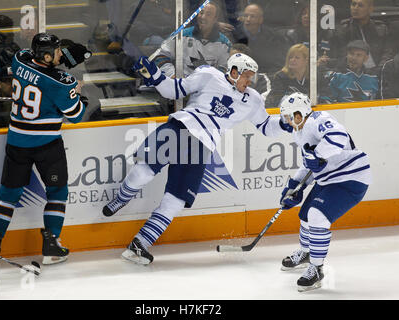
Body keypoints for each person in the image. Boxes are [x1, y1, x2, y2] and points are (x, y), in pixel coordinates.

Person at [101, 52, 293, 265]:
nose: (250, 81)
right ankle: (122, 198)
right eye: (247, 76)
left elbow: (267, 127)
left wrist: (285, 123)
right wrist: (153, 73)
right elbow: (173, 90)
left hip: (202, 147)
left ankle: (139, 245)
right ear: (234, 71)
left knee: (175, 201)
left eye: (252, 77)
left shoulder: (253, 100)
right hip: (180, 128)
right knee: (142, 172)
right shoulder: (209, 75)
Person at [0, 33, 88, 265]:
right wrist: (80, 95)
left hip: (17, 142)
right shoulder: (62, 83)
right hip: (46, 146)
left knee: (8, 196)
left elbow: (39, 66)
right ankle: (51, 244)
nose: (61, 54)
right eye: (58, 51)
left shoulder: (20, 60)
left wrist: (59, 61)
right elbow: (76, 115)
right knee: (57, 192)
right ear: (49, 55)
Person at [278, 92, 371, 292]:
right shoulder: (300, 131)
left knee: (317, 215)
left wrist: (318, 155)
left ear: (300, 114)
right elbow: (311, 166)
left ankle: (317, 268)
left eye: (289, 116)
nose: (287, 121)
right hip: (329, 179)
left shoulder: (318, 119)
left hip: (350, 178)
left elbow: (338, 136)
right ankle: (306, 253)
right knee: (305, 215)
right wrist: (294, 185)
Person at [153, 1, 231, 77]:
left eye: (208, 14)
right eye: (201, 13)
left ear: (215, 19)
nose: (203, 17)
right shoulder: (181, 35)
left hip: (208, 88)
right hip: (182, 86)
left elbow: (225, 70)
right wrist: (172, 75)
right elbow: (160, 56)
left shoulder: (225, 44)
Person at [332, 0, 394, 73]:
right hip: (353, 73)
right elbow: (342, 57)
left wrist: (379, 71)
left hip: (378, 72)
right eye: (353, 4)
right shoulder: (343, 29)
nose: (355, 8)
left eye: (360, 5)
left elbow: (387, 54)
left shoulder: (381, 29)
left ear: (370, 9)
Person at [231, 3, 288, 75]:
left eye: (252, 16)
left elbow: (277, 63)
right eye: (246, 16)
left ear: (260, 20)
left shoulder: (273, 37)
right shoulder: (234, 34)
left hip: (266, 75)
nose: (248, 19)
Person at [265, 43, 310, 108]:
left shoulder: (314, 76)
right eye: (290, 57)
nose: (292, 60)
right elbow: (272, 100)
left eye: (297, 57)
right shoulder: (281, 77)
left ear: (306, 60)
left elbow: (324, 97)